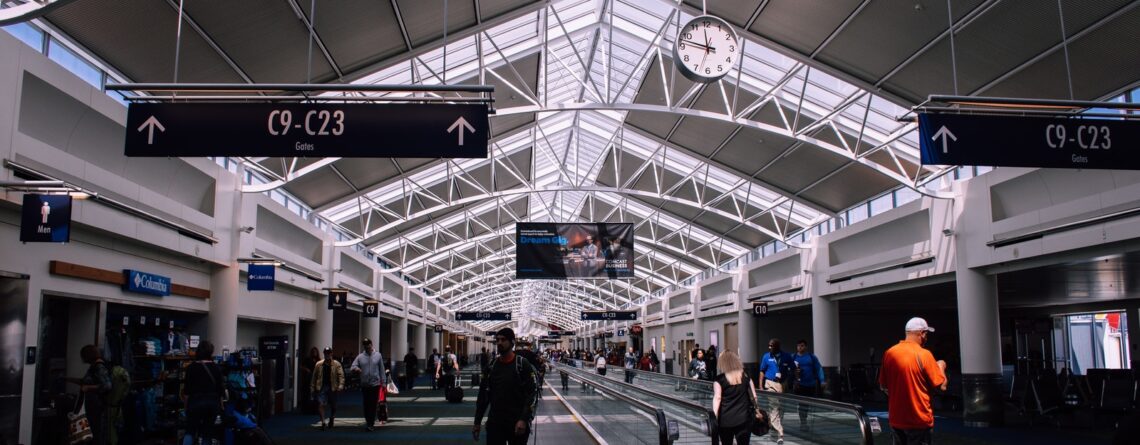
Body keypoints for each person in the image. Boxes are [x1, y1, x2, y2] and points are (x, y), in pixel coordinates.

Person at [878, 317, 947, 445]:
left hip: (896, 420)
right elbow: (941, 386)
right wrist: (941, 366)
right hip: (919, 421)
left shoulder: (890, 353)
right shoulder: (924, 354)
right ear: (921, 333)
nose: (927, 338)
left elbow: (883, 386)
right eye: (926, 334)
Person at [473, 328, 539, 445]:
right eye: (497, 340)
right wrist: (477, 422)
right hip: (496, 422)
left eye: (503, 340)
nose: (499, 343)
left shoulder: (522, 365)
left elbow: (532, 394)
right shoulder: (491, 367)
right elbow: (483, 396)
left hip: (517, 422)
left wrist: (524, 419)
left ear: (512, 342)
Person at [182, 340, 224, 444]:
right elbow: (220, 390)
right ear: (211, 352)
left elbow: (187, 391)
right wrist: (221, 405)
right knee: (207, 434)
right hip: (212, 403)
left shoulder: (191, 368)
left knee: (190, 431)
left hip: (195, 402)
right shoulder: (217, 368)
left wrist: (186, 406)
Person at [713, 350, 758, 445]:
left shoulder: (719, 379)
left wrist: (714, 416)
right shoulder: (746, 376)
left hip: (725, 420)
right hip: (744, 419)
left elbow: (717, 398)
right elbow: (754, 396)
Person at [69, 345, 111, 445]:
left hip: (96, 405)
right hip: (93, 405)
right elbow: (86, 381)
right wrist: (68, 379)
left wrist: (88, 388)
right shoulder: (94, 367)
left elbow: (107, 386)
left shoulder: (99, 367)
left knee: (94, 432)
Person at [759, 338, 795, 444]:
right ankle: (780, 433)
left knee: (780, 408)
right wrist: (760, 385)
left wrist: (793, 380)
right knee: (774, 407)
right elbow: (762, 371)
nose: (770, 347)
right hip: (770, 384)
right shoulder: (766, 357)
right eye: (769, 345)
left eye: (772, 345)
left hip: (783, 385)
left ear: (778, 346)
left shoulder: (786, 356)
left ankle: (772, 425)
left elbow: (793, 368)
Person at [350, 338, 387, 431]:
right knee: (366, 404)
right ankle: (368, 421)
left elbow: (382, 369)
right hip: (365, 384)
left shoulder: (378, 355)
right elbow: (352, 366)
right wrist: (356, 369)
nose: (367, 346)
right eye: (365, 345)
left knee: (373, 404)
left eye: (368, 344)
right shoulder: (360, 356)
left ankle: (371, 423)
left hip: (375, 384)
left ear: (371, 344)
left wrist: (384, 383)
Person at [792, 340, 825, 429]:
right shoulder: (793, 357)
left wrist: (822, 380)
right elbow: (788, 369)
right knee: (802, 403)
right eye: (798, 346)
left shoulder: (811, 357)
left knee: (807, 404)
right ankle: (803, 422)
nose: (800, 347)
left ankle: (804, 420)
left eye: (802, 346)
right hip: (799, 385)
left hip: (811, 385)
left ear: (806, 347)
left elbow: (819, 368)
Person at [312, 347, 344, 430]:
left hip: (333, 387)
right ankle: (323, 422)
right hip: (321, 387)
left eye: (329, 353)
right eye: (326, 353)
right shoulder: (319, 364)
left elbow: (341, 376)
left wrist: (340, 385)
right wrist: (312, 388)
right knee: (321, 404)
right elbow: (314, 377)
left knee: (333, 406)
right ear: (324, 354)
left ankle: (332, 417)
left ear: (331, 353)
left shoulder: (337, 364)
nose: (327, 355)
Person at [300, 347, 320, 414]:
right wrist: (306, 369)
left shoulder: (319, 360)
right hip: (308, 379)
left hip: (316, 380)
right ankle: (306, 409)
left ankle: (315, 409)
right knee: (307, 394)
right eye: (313, 352)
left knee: (316, 395)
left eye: (315, 352)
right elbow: (301, 366)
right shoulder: (308, 359)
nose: (314, 353)